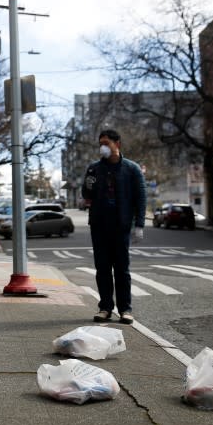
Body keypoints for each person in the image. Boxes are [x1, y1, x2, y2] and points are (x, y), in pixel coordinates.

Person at [81, 130, 146, 325]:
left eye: (106, 143)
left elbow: (140, 198)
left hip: (121, 226)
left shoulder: (131, 169)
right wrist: (89, 183)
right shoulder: (94, 168)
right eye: (100, 143)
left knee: (122, 270)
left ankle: (125, 309)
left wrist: (139, 225)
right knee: (102, 269)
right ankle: (105, 308)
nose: (103, 147)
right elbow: (86, 194)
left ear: (117, 144)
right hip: (99, 225)